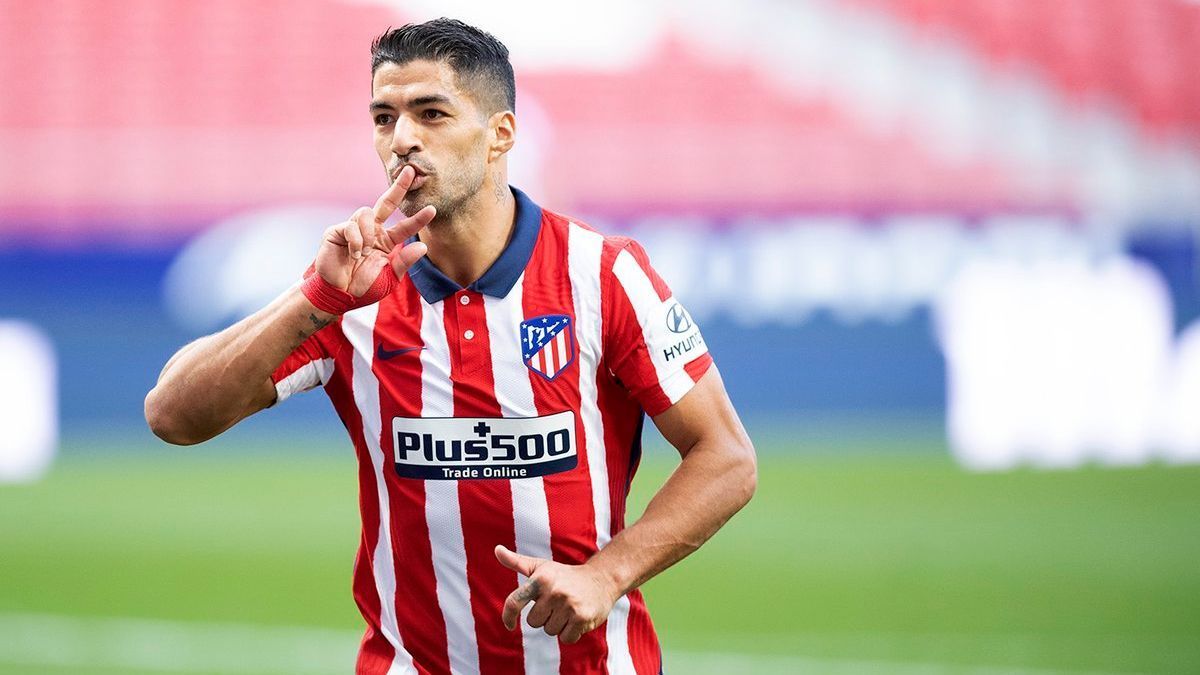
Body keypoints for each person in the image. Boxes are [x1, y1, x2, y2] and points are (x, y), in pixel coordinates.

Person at [145, 17, 756, 675]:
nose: (402, 138)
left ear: (502, 134)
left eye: (431, 113)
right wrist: (316, 301)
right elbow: (173, 416)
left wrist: (606, 574)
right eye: (384, 118)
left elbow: (726, 457)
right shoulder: (351, 290)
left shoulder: (602, 274)